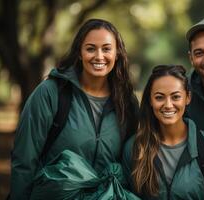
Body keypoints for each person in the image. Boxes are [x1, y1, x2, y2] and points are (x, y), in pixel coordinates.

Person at [10, 18, 139, 199]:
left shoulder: (127, 103)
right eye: (91, 48)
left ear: (117, 53)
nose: (99, 56)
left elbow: (132, 162)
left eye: (107, 48)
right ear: (79, 52)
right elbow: (24, 159)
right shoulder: (52, 93)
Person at [122, 65, 204, 200]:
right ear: (150, 100)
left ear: (188, 97)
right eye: (159, 97)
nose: (168, 105)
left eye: (176, 97)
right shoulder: (133, 148)